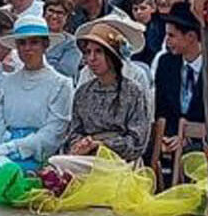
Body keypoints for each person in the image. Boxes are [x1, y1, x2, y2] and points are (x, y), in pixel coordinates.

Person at [0, 10, 74, 168]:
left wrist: (16, 147)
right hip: (1, 150)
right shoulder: (6, 81)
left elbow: (54, 132)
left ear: (45, 45)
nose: (27, 48)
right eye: (22, 43)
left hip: (38, 155)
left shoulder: (61, 84)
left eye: (34, 42)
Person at [61, 22, 151, 162]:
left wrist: (103, 146)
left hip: (120, 160)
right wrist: (81, 144)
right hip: (86, 157)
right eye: (88, 52)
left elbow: (137, 141)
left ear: (112, 56)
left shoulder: (132, 92)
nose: (92, 58)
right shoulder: (83, 92)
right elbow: (74, 131)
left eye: (98, 52)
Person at [151, 2, 205, 159]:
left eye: (172, 35)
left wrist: (188, 139)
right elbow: (161, 110)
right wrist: (167, 138)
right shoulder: (165, 63)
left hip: (203, 148)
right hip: (170, 144)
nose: (166, 40)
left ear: (191, 37)